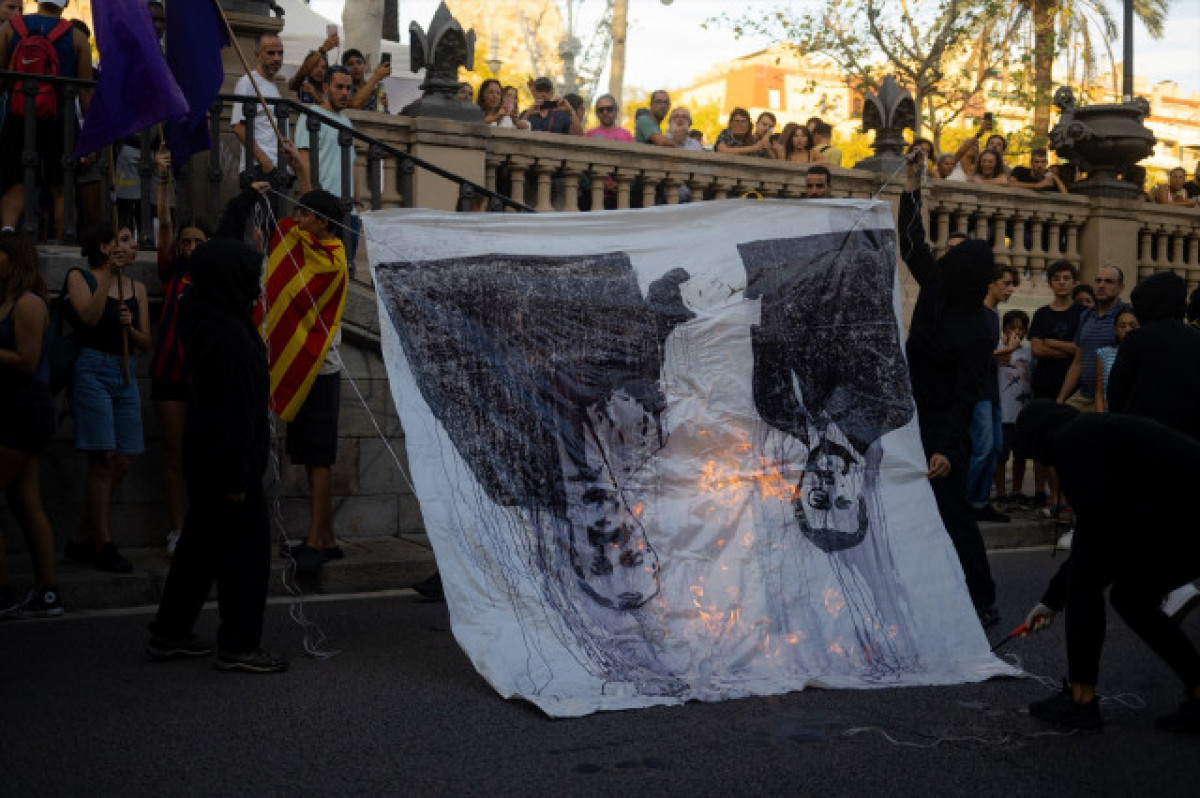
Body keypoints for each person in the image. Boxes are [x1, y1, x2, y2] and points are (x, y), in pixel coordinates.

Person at [146, 232, 286, 674]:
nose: (256, 284)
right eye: (249, 275)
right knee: (245, 556)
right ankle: (239, 645)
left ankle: (170, 631)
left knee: (199, 549)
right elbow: (233, 415)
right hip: (228, 464)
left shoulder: (203, 313)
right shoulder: (230, 338)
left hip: (207, 456)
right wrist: (236, 478)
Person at [1017, 404, 1200, 734]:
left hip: (1182, 513)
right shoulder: (1094, 433)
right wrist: (1051, 600)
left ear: (1039, 440)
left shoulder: (1071, 442)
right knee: (1132, 598)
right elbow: (1105, 526)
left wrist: (1054, 599)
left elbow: (1094, 534)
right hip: (1180, 512)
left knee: (1084, 580)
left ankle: (1082, 700)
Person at [899, 149, 999, 628]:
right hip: (907, 417)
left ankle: (982, 596)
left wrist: (945, 448)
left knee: (954, 514)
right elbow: (911, 242)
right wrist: (912, 181)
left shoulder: (979, 328)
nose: (946, 259)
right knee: (909, 509)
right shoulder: (936, 287)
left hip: (942, 430)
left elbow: (966, 394)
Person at [258, 190, 348, 574]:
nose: (298, 220)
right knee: (308, 455)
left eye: (306, 215)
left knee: (319, 457)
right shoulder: (304, 240)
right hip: (300, 369)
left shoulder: (333, 259)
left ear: (324, 223)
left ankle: (315, 543)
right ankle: (326, 538)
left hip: (320, 369)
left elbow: (306, 291)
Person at [62, 223, 151, 573]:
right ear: (104, 247)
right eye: (124, 240)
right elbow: (89, 317)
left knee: (122, 461)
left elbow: (146, 343)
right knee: (102, 458)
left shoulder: (137, 288)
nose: (133, 245)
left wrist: (130, 327)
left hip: (125, 372)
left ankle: (80, 536)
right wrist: (108, 280)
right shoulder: (79, 277)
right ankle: (104, 542)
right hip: (92, 370)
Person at [149, 149, 211, 555]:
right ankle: (177, 529)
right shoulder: (173, 273)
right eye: (185, 242)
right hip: (170, 375)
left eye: (197, 242)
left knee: (201, 456)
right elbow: (166, 224)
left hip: (204, 378)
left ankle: (203, 527)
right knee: (173, 455)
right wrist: (163, 180)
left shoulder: (218, 277)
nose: (189, 247)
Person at [0, 233, 59, 618]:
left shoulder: (29, 303)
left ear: (15, 259)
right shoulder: (6, 302)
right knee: (25, 501)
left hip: (22, 409)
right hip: (11, 407)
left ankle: (4, 593)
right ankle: (47, 593)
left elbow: (27, 358)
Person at [0, 0, 93, 233]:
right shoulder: (77, 37)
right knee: (62, 188)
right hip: (60, 121)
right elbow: (85, 93)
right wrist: (91, 139)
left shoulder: (10, 28)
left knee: (15, 185)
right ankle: (64, 240)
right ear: (67, 3)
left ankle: (8, 234)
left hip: (18, 117)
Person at [1027, 261, 1082, 507]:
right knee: (1045, 444)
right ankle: (1052, 496)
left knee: (1070, 445)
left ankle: (1069, 497)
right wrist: (1069, 349)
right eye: (1057, 278)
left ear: (1074, 282)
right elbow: (1037, 350)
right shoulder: (1042, 314)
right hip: (1044, 387)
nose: (1062, 282)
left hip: (1073, 389)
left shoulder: (1083, 313)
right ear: (1050, 283)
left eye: (1066, 278)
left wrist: (1052, 342)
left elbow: (1081, 351)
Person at [969, 264, 1018, 523]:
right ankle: (966, 503)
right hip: (978, 392)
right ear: (991, 283)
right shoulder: (978, 312)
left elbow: (990, 357)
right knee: (983, 449)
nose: (1010, 289)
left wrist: (1004, 353)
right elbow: (975, 354)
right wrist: (1007, 349)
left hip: (992, 390)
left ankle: (980, 502)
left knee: (996, 449)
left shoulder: (993, 313)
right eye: (1006, 283)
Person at [1056, 265, 1130, 413]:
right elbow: (1078, 362)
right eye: (1098, 281)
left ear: (1121, 288)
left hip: (1112, 399)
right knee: (1059, 418)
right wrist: (1061, 398)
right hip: (1084, 395)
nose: (1101, 285)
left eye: (1108, 281)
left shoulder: (1127, 316)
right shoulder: (1086, 316)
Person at [230, 32, 284, 177]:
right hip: (257, 168)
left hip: (275, 166)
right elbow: (238, 127)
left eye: (280, 53)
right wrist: (264, 160)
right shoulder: (247, 83)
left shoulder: (273, 86)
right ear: (257, 55)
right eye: (271, 53)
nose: (277, 58)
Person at [992, 309, 1031, 508]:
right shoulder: (998, 349)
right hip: (1003, 412)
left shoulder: (1029, 353)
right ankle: (1000, 492)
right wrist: (1008, 348)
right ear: (1004, 329)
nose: (1016, 332)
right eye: (1012, 327)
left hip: (1022, 413)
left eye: (1021, 328)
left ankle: (1016, 490)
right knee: (1001, 455)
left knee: (1020, 455)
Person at [1092, 307, 1137, 413]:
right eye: (1122, 326)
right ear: (1115, 330)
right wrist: (1100, 416)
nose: (1128, 330)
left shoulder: (1145, 355)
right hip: (1109, 412)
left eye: (1132, 326)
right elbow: (1099, 392)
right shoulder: (1104, 353)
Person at [288, 28, 338, 105]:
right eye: (315, 66)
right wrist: (323, 50)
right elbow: (302, 73)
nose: (320, 70)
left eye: (323, 67)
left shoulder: (330, 90)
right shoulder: (300, 85)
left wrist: (316, 95)